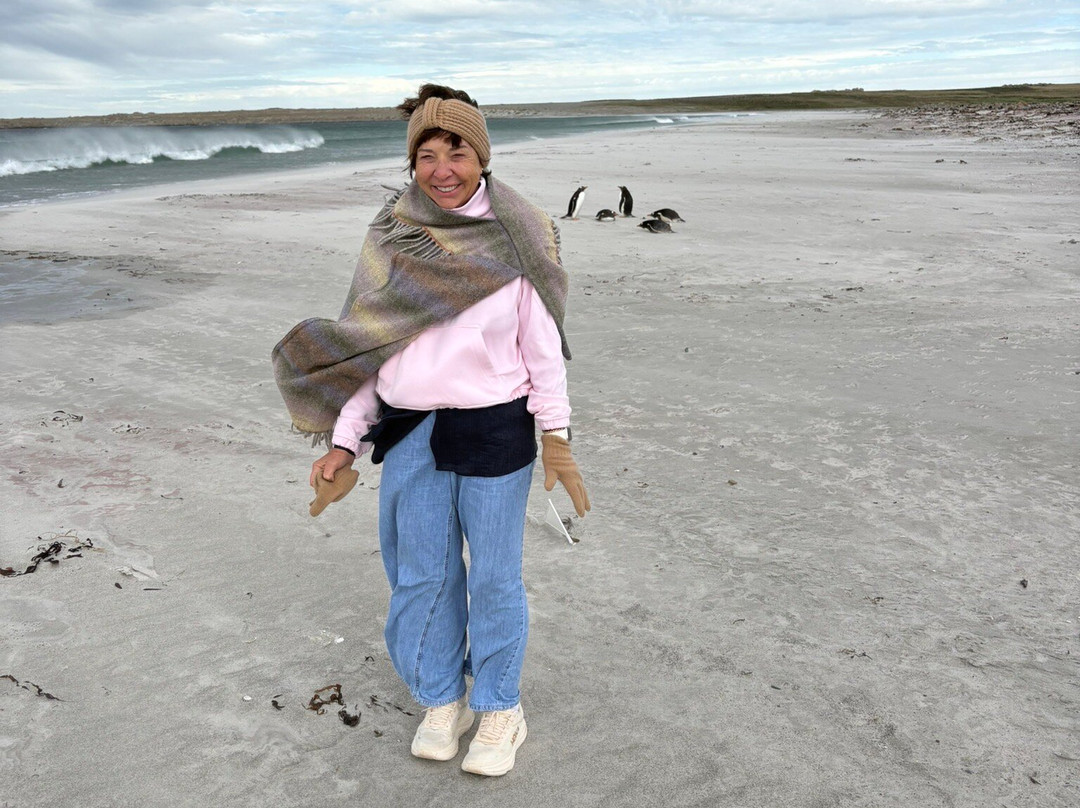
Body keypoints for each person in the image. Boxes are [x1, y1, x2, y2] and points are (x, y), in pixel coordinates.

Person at [272, 84, 590, 777]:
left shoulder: (520, 239)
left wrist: (557, 440)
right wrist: (343, 442)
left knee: (497, 580)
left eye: (457, 151)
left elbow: (543, 353)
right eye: (427, 153)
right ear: (411, 161)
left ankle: (501, 707)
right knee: (421, 576)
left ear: (481, 156)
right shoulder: (391, 233)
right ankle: (442, 698)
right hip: (410, 434)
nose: (442, 168)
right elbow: (368, 347)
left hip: (497, 433)